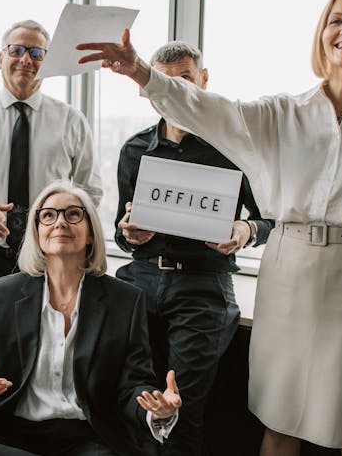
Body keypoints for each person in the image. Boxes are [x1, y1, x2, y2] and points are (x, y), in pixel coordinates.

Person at [77, 0, 342, 455]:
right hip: (288, 270)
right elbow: (206, 109)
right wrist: (140, 71)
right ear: (321, 34)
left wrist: (243, 231)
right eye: (336, 20)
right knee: (278, 421)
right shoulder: (280, 113)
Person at [0, 181, 180, 456]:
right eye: (48, 215)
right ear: (37, 233)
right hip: (11, 435)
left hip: (89, 439)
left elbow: (132, 387)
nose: (60, 222)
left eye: (73, 214)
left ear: (91, 233)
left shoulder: (125, 300)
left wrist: (156, 411)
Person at [114, 40, 273, 455]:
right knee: (131, 402)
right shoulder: (133, 149)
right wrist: (128, 233)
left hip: (204, 285)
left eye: (184, 81)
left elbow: (270, 221)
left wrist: (244, 229)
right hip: (141, 281)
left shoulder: (234, 150)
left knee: (182, 410)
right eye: (164, 83)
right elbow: (120, 229)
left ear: (203, 81)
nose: (176, 93)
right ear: (148, 89)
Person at [0, 20, 102, 332]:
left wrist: (63, 228)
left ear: (48, 63)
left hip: (51, 257)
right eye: (16, 50)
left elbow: (89, 190)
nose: (26, 59)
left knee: (48, 351)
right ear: (1, 58)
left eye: (37, 53)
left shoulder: (71, 120)